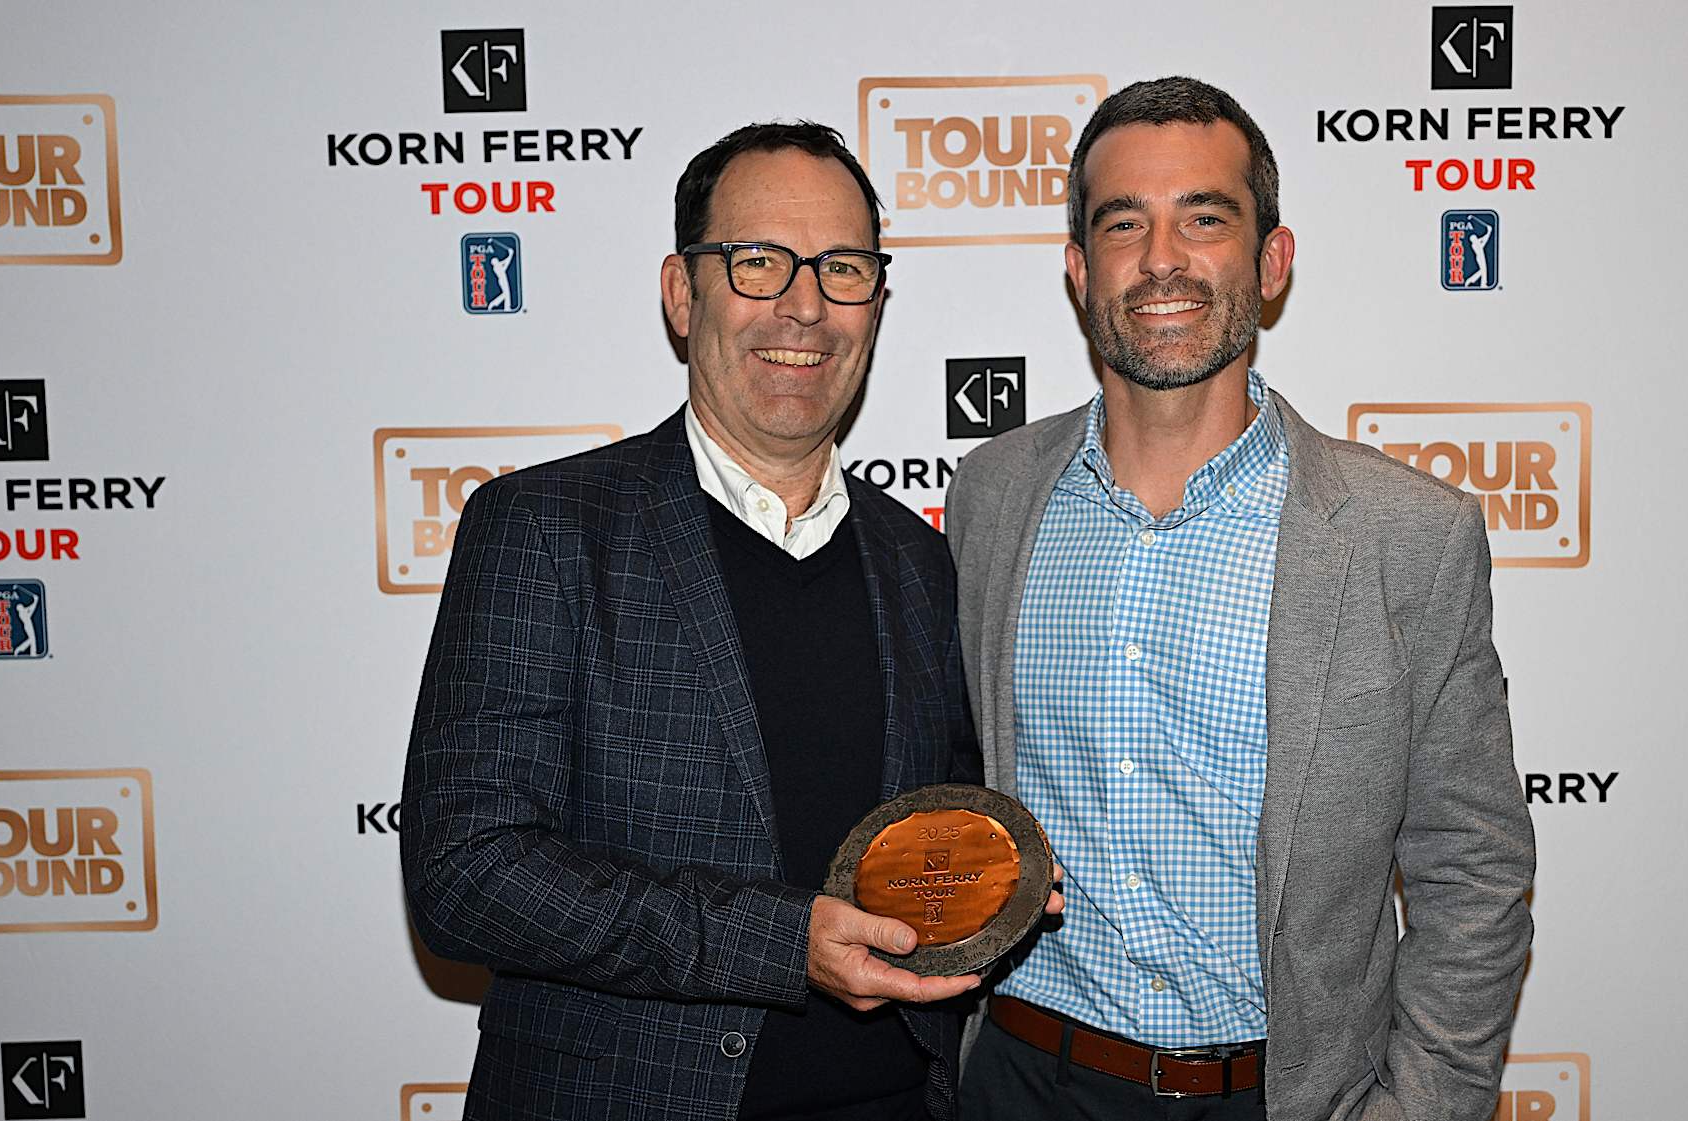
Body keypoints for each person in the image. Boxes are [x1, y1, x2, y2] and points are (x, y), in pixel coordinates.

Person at [947, 77, 1536, 1120]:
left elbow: (1472, 865)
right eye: (1123, 222)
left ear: (1271, 262)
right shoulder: (994, 497)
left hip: (1283, 1096)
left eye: (1203, 218)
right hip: (1021, 1081)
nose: (1161, 258)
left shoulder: (1408, 534)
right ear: (1081, 271)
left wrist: (1424, 1105)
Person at [402, 121, 987, 1121]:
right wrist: (778, 941)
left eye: (843, 268)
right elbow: (468, 869)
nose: (805, 305)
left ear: (877, 305)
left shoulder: (920, 557)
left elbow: (942, 829)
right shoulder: (544, 528)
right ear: (683, 293)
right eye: (758, 262)